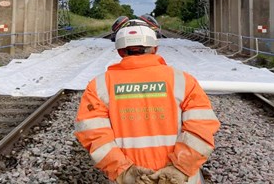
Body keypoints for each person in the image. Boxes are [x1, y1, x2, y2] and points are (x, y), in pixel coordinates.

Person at [75, 25, 220, 184]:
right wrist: (179, 169)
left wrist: (124, 171)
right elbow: (202, 128)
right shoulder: (184, 81)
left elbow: (94, 135)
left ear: (120, 51)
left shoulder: (99, 86)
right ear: (155, 48)